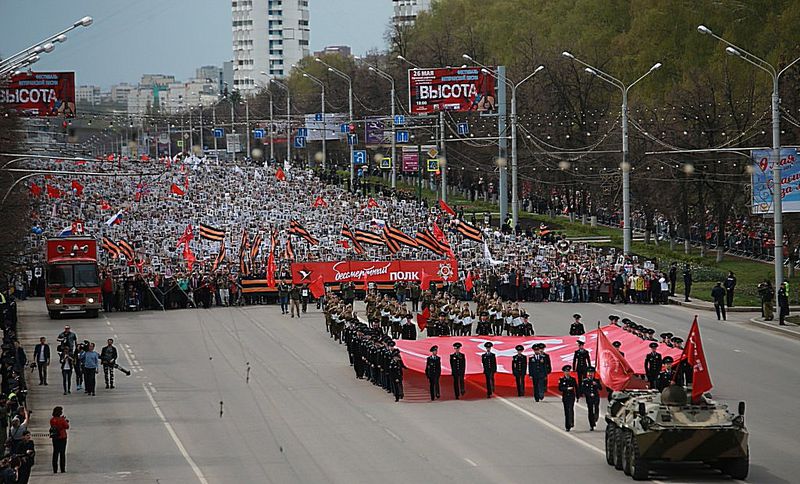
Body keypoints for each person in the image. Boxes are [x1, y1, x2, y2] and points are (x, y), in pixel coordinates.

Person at [581, 367, 603, 431]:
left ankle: (596, 418)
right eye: (589, 373)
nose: (590, 374)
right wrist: (588, 394)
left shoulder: (596, 380)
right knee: (590, 411)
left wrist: (596, 384)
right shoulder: (585, 381)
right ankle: (591, 424)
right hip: (589, 398)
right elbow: (583, 390)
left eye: (592, 373)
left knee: (596, 408)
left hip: (596, 397)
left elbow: (600, 388)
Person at [558, 365, 577, 432]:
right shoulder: (561, 380)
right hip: (565, 396)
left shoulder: (573, 379)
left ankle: (571, 422)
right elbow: (560, 388)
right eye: (566, 371)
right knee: (566, 411)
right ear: (564, 372)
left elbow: (576, 388)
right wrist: (566, 388)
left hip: (571, 396)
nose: (567, 372)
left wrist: (577, 396)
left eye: (568, 371)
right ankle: (567, 425)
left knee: (571, 409)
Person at [50, 406, 69, 473]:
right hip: (62, 437)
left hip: (55, 437)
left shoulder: (52, 420)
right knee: (62, 453)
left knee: (55, 453)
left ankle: (55, 469)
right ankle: (62, 469)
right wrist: (65, 421)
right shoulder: (61, 419)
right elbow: (66, 426)